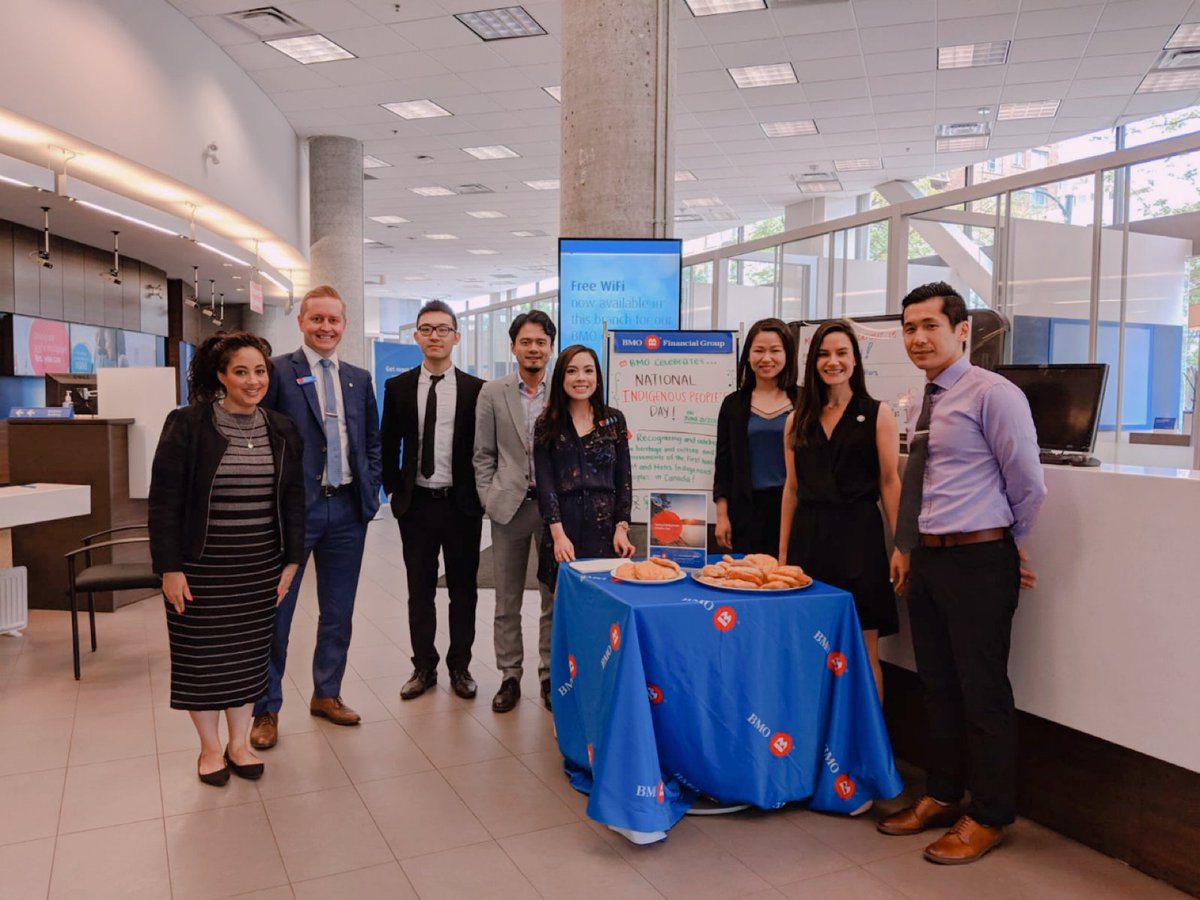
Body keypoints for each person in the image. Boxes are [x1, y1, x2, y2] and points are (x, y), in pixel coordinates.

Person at [878, 282, 1046, 865]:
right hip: (929, 559)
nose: (918, 337)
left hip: (977, 561)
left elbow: (1028, 482)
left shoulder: (992, 394)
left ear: (961, 329)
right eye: (909, 327)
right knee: (937, 685)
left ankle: (992, 815)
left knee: (983, 692)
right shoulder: (925, 397)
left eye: (929, 325)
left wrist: (1004, 542)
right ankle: (944, 795)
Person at [149, 332, 305, 785]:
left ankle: (239, 744)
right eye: (241, 371)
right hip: (200, 568)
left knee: (249, 657)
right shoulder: (187, 424)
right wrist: (169, 568)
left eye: (260, 371)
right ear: (221, 375)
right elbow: (163, 503)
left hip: (259, 566)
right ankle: (210, 749)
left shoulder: (281, 428)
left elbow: (294, 498)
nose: (253, 380)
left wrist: (292, 562)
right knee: (201, 659)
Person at [249, 285, 382, 750]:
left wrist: (371, 489)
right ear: (302, 322)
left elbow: (370, 441)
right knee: (276, 611)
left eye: (334, 320)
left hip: (346, 509)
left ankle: (327, 693)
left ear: (345, 325)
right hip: (293, 513)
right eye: (317, 319)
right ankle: (266, 708)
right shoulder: (279, 373)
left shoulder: (358, 378)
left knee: (338, 611)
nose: (326, 328)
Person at [778, 320, 901, 701]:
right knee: (809, 648)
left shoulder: (877, 413)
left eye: (841, 353)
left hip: (859, 539)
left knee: (864, 650)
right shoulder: (797, 418)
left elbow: (889, 483)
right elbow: (792, 488)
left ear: (854, 359)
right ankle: (816, 738)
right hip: (809, 540)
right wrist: (782, 555)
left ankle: (868, 748)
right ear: (813, 361)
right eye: (824, 354)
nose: (833, 362)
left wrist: (901, 547)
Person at [381, 301, 485, 702]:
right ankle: (424, 666)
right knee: (419, 590)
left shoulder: (477, 390)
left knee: (464, 590)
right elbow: (387, 444)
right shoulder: (399, 387)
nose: (435, 336)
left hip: (461, 506)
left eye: (443, 329)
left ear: (456, 337)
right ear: (416, 336)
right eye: (427, 329)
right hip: (418, 506)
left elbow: (483, 449)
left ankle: (460, 666)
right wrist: (394, 490)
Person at [473, 310, 558, 713]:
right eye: (526, 341)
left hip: (555, 510)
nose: (534, 348)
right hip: (508, 507)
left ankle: (549, 674)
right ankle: (510, 675)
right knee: (506, 600)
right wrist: (489, 498)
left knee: (552, 598)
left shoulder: (566, 389)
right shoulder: (493, 392)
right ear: (513, 347)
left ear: (550, 347)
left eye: (541, 341)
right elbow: (483, 454)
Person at [533, 344, 635, 593]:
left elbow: (624, 478)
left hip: (606, 533)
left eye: (588, 371)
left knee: (606, 611)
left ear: (597, 378)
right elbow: (545, 484)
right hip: (564, 531)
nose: (581, 378)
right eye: (572, 371)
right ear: (561, 378)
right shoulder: (547, 424)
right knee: (567, 611)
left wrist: (622, 527)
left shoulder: (614, 419)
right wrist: (558, 535)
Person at [714, 318, 798, 555]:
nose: (766, 358)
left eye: (775, 351)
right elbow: (723, 465)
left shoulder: (804, 401)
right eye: (759, 350)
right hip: (746, 511)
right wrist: (722, 516)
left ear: (787, 354)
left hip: (794, 508)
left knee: (790, 578)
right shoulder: (733, 404)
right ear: (748, 355)